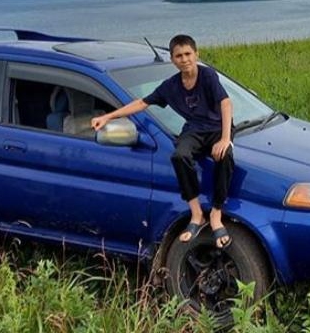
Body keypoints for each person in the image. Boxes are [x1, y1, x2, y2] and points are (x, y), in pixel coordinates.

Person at [91, 34, 234, 249]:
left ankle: (215, 214)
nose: (184, 59)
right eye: (179, 55)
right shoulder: (171, 86)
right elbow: (141, 103)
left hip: (217, 128)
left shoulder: (208, 76)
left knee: (225, 156)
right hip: (195, 130)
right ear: (173, 60)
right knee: (179, 155)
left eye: (188, 54)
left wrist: (225, 139)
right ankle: (196, 214)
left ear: (196, 54)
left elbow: (225, 103)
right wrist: (108, 116)